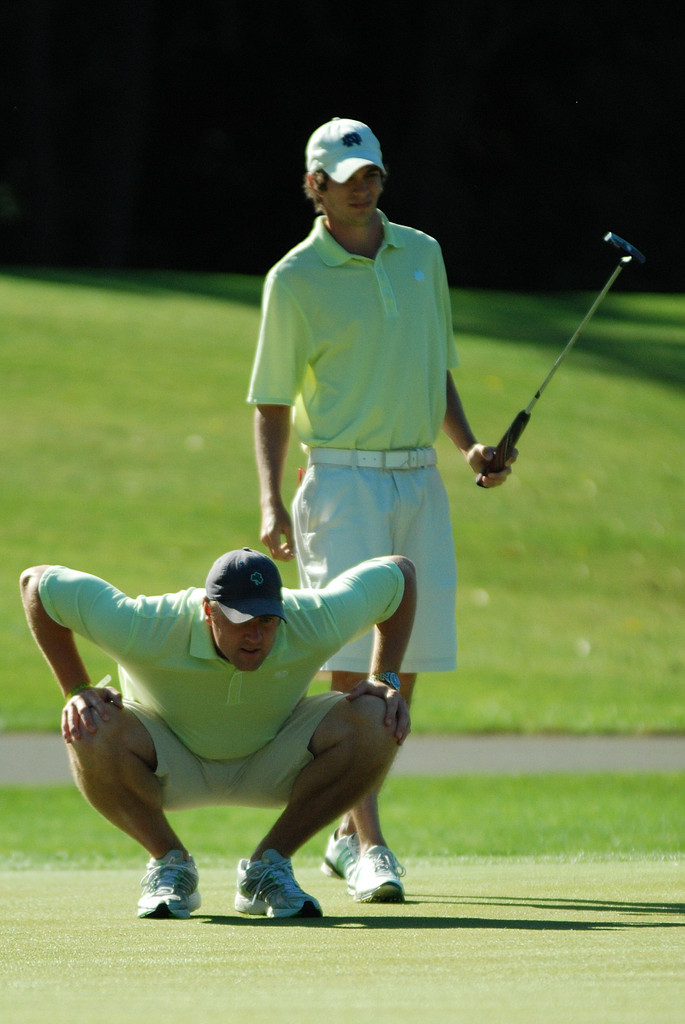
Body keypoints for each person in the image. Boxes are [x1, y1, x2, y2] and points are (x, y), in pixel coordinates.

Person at [247, 116, 515, 897]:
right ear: (315, 186)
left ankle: (345, 829)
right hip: (341, 482)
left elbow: (436, 369)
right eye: (345, 178)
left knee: (402, 666)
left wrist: (467, 447)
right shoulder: (293, 278)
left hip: (418, 481)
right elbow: (270, 401)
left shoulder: (422, 254)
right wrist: (270, 502)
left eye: (370, 174)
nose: (362, 188)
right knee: (349, 665)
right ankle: (369, 843)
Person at [19, 547, 416, 917]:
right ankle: (170, 863)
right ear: (209, 611)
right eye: (242, 621)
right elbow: (36, 583)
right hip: (165, 764)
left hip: (276, 759)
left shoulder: (313, 617)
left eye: (266, 620)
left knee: (378, 712)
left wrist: (385, 679)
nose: (256, 636)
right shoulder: (145, 624)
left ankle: (269, 867)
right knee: (89, 722)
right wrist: (76, 688)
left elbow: (400, 574)